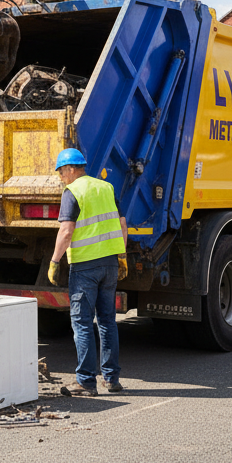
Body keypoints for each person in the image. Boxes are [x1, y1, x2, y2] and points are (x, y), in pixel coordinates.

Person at [47, 148, 129, 396]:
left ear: (72, 169)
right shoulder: (107, 188)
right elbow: (122, 224)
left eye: (61, 172)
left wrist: (54, 261)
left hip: (85, 267)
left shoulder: (73, 192)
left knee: (82, 323)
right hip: (110, 264)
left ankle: (85, 381)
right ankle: (112, 379)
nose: (61, 177)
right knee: (107, 321)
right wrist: (122, 255)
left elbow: (66, 232)